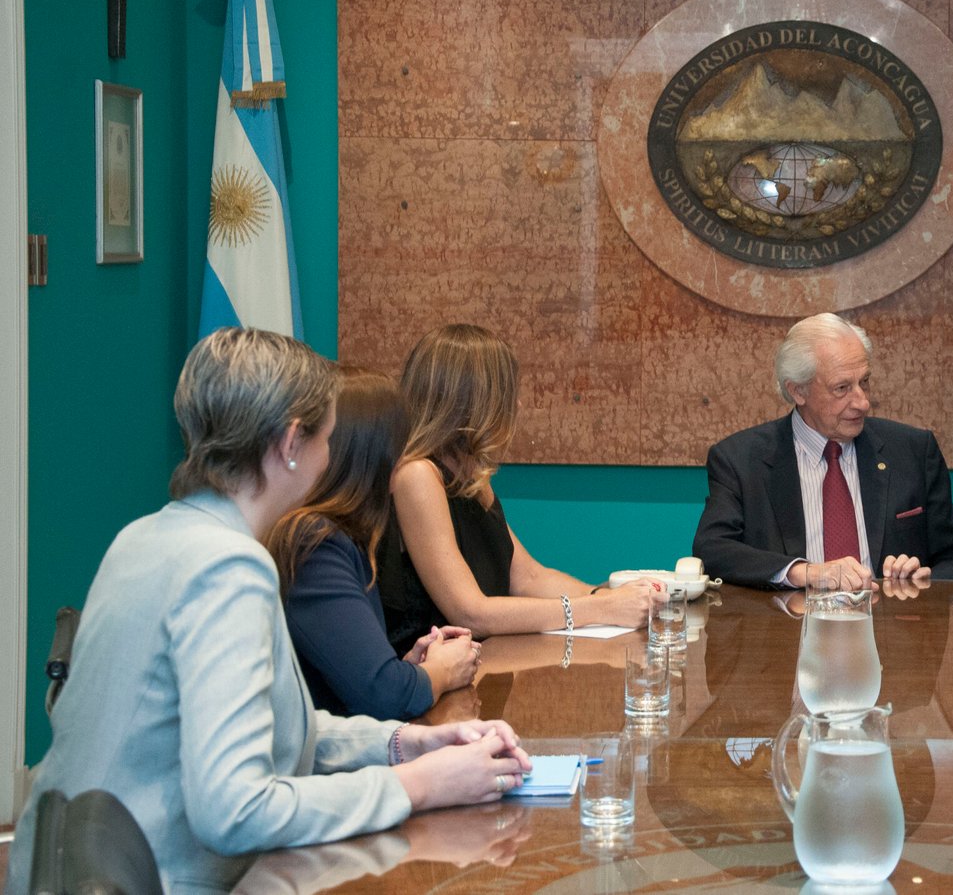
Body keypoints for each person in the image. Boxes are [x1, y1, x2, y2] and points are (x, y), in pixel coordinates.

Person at [5, 328, 531, 895]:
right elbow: (237, 811)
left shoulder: (145, 537)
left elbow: (273, 728)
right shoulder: (228, 568)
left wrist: (402, 744)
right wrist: (418, 785)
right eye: (327, 438)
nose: (330, 458)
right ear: (290, 443)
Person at [378, 323, 657, 649]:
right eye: (507, 395)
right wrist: (601, 608)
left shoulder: (471, 477)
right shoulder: (417, 475)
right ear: (473, 403)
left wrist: (607, 596)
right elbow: (469, 613)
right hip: (428, 672)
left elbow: (528, 578)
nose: (517, 407)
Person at [692, 312, 953, 589]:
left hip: (888, 622)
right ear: (798, 391)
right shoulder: (740, 460)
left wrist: (924, 583)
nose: (862, 402)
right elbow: (713, 549)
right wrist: (803, 572)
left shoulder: (913, 451)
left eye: (864, 381)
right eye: (842, 388)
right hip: (790, 621)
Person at [267, 367, 480, 720]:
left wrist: (409, 668)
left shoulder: (338, 537)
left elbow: (355, 679)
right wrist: (441, 671)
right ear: (376, 458)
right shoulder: (314, 546)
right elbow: (383, 696)